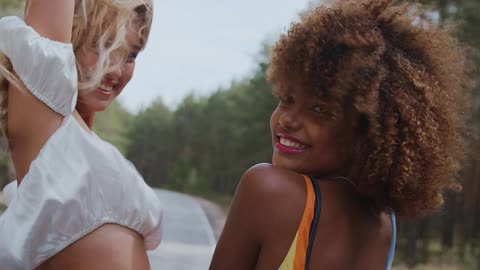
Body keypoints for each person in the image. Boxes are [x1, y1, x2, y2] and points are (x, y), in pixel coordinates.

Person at [210, 0, 468, 269]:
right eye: (286, 99)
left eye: (319, 108)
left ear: (364, 130)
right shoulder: (384, 222)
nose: (287, 119)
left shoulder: (267, 189)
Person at [0, 0, 163, 269]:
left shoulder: (87, 145)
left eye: (131, 55)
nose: (115, 70)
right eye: (101, 46)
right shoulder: (46, 118)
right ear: (71, 36)